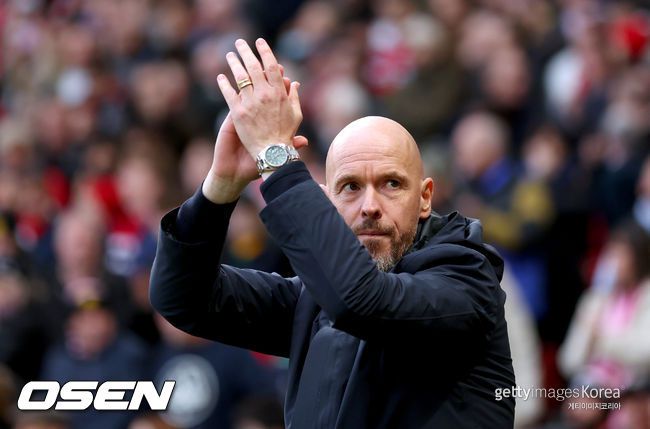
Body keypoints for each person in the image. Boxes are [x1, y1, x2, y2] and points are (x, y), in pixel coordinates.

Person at [150, 38, 515, 428]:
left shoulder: (466, 278)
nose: (370, 205)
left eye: (392, 184)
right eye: (351, 187)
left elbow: (362, 301)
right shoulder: (312, 301)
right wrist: (219, 190)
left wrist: (276, 158)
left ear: (425, 198)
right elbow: (182, 298)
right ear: (328, 202)